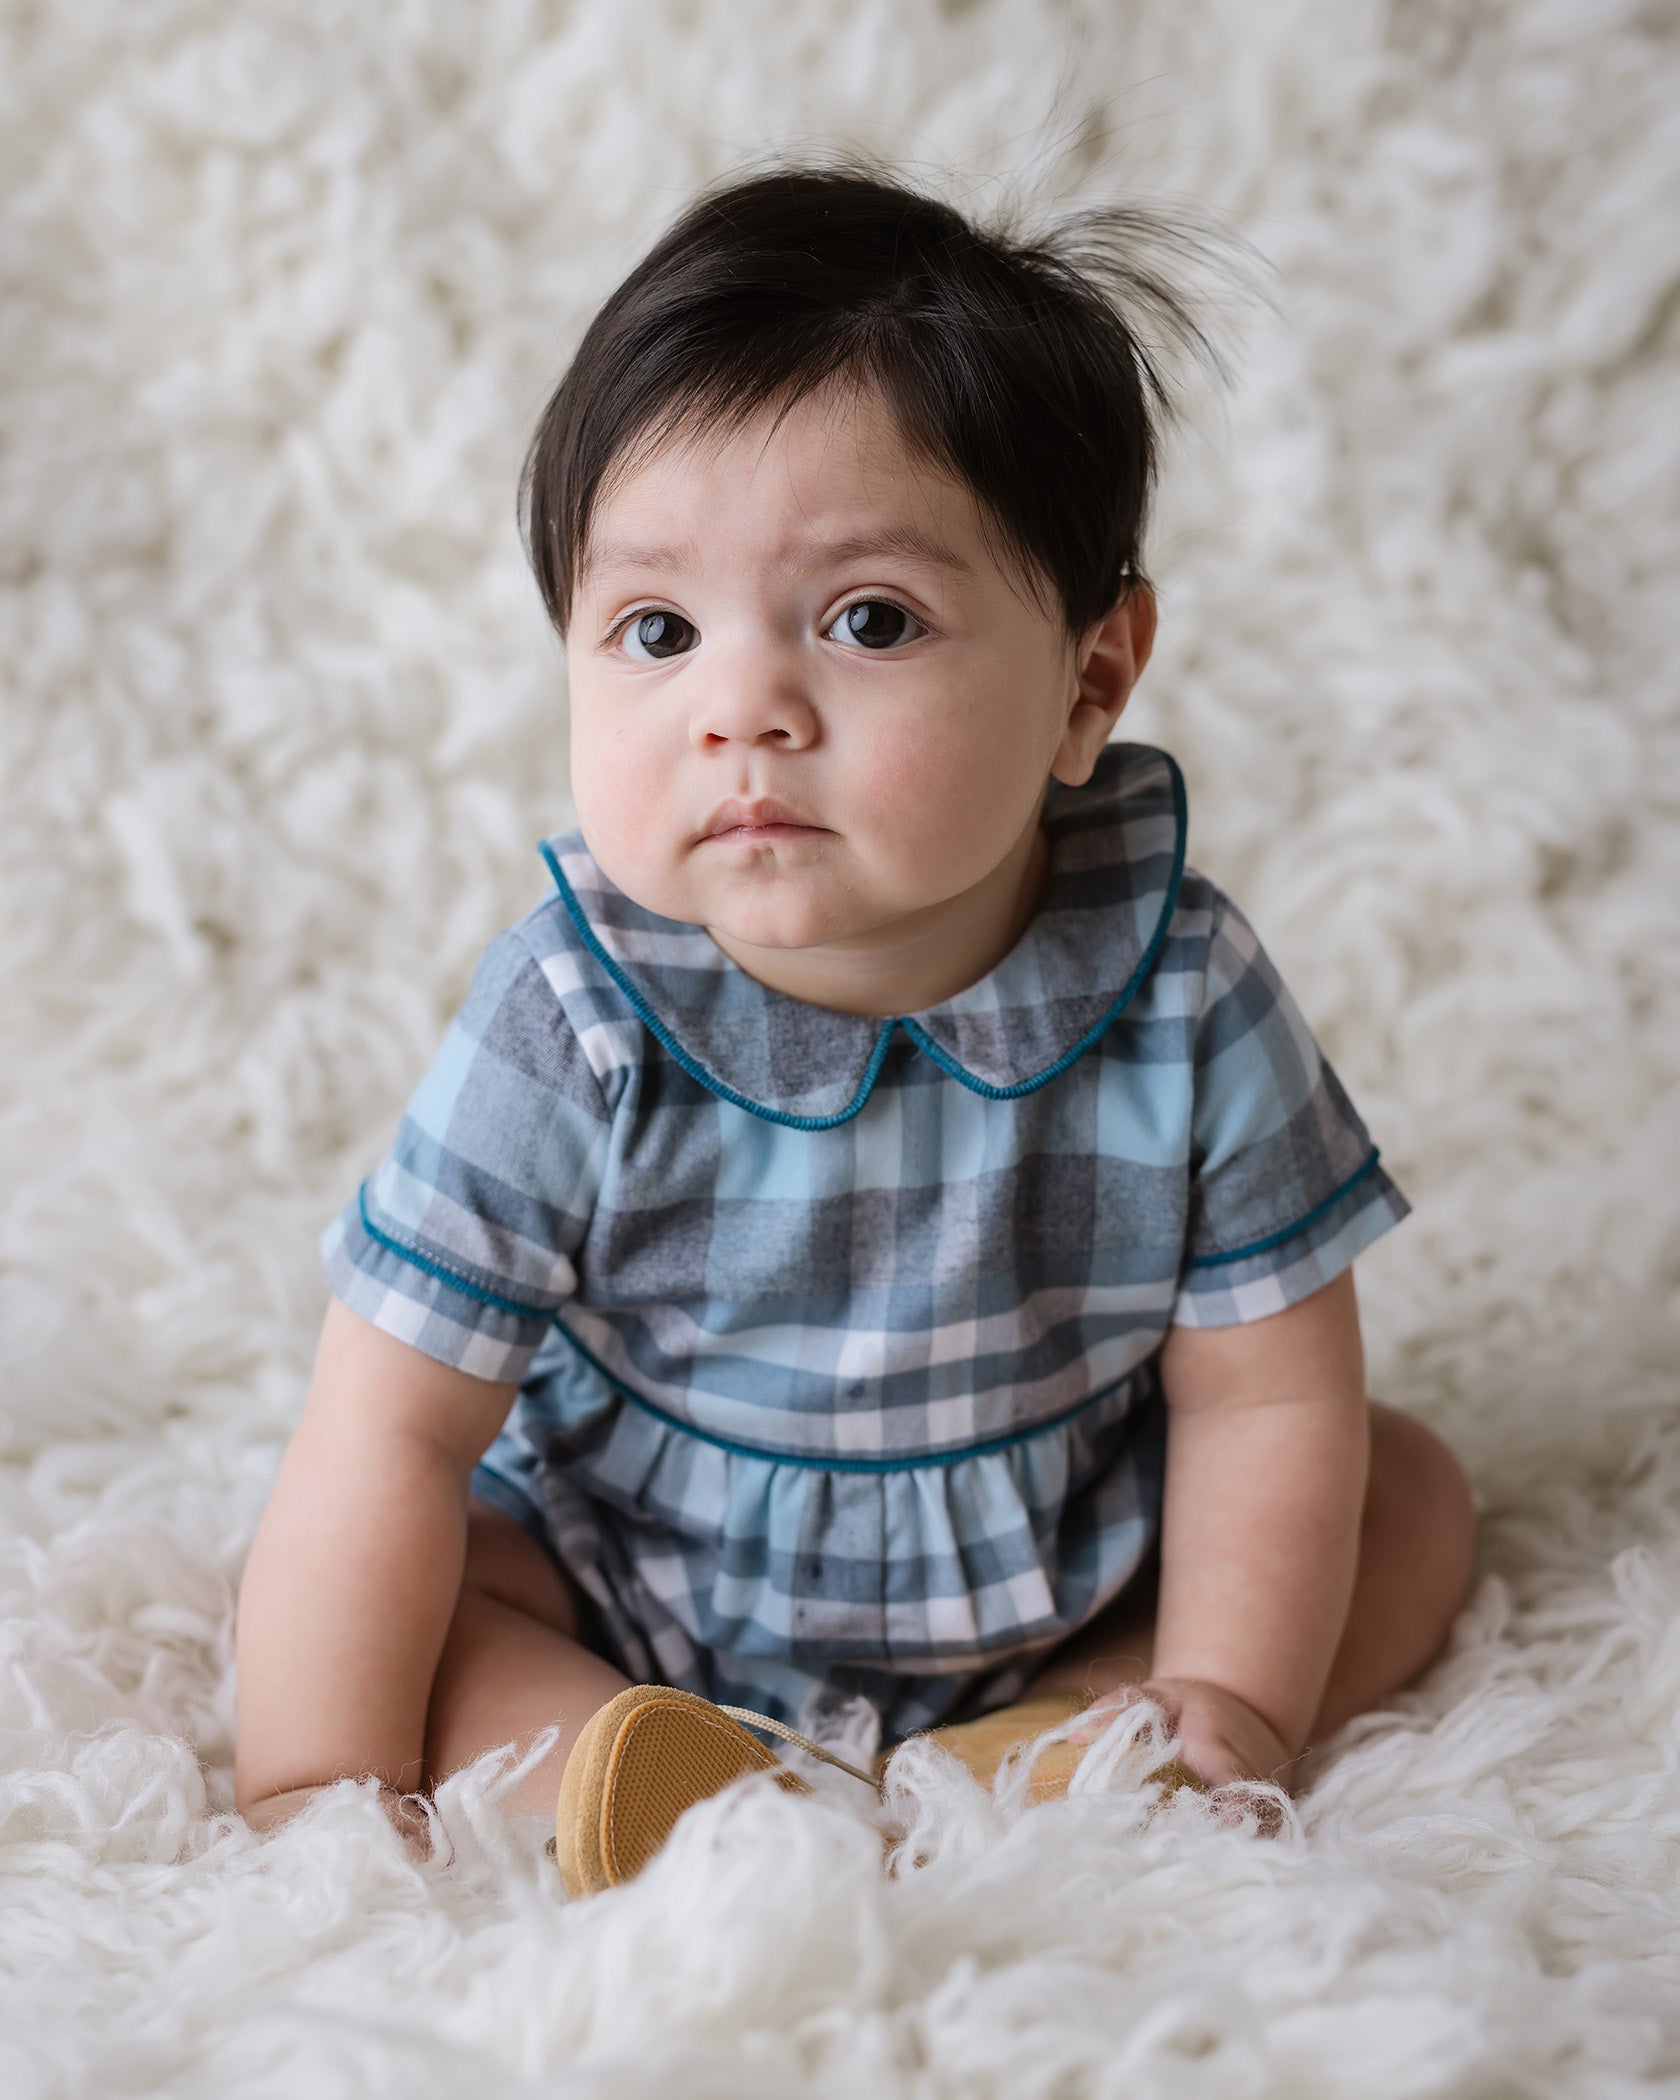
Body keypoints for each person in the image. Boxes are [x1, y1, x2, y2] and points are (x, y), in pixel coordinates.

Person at [233, 164, 1475, 1891]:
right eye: (657, 630)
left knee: (1400, 1496)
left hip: (1060, 1558)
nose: (741, 707)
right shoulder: (574, 1011)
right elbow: (391, 1424)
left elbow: (1269, 1399)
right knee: (403, 1586)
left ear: (1090, 682)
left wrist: (1235, 1695)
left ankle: (1086, 1738)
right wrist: (315, 1789)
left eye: (868, 620)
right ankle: (651, 1783)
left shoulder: (1182, 988)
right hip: (635, 1576)